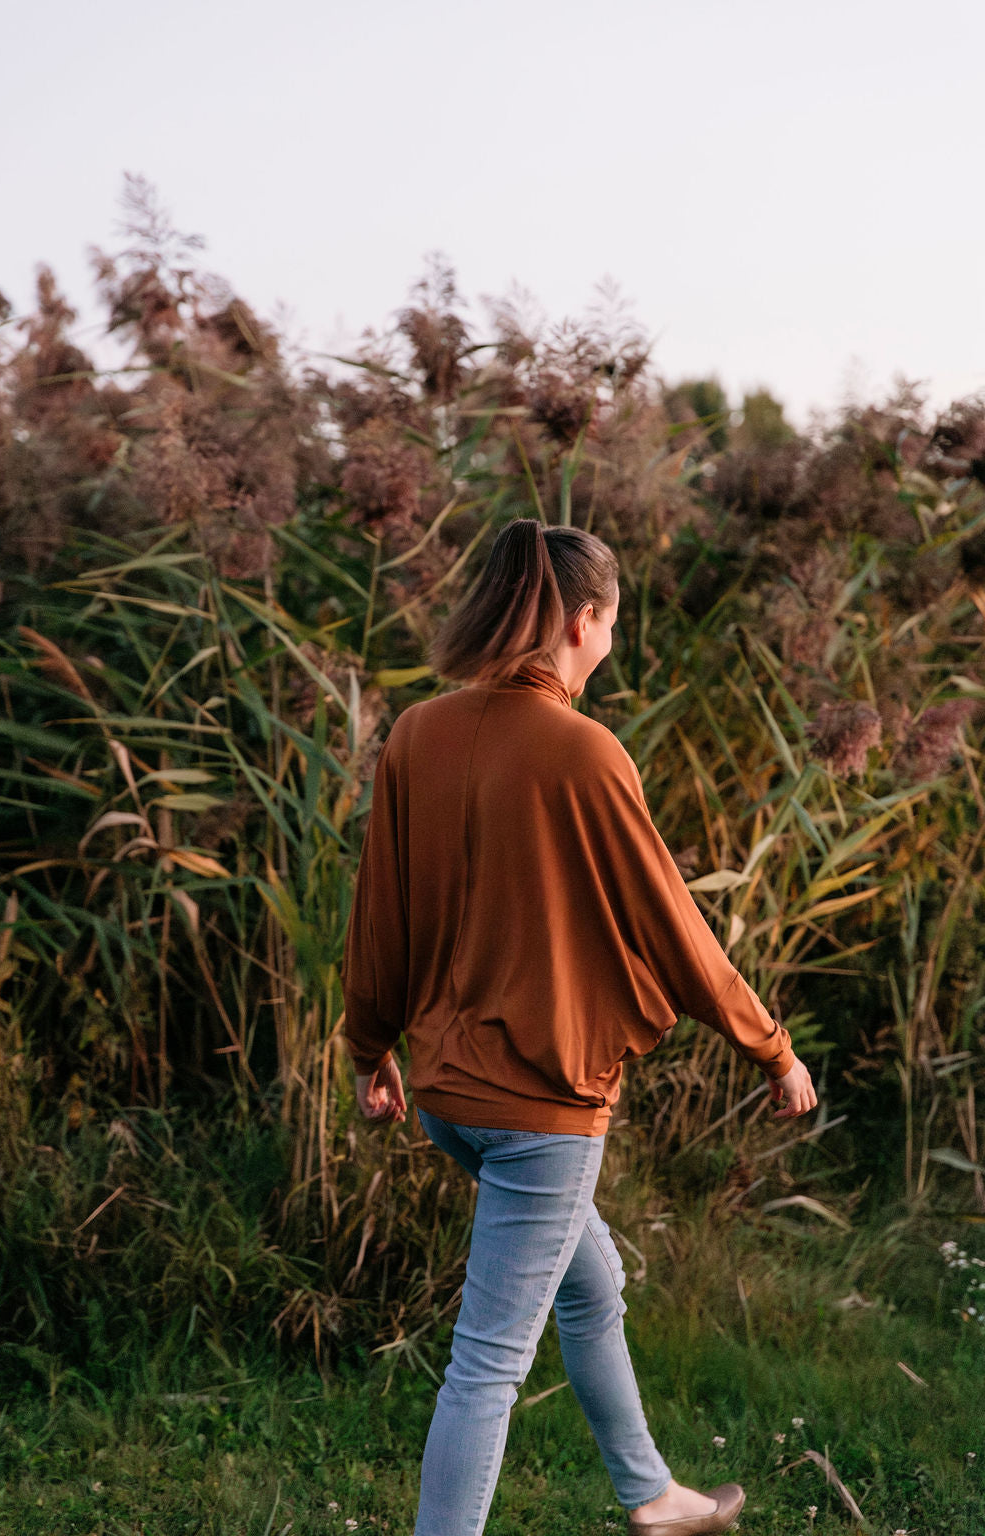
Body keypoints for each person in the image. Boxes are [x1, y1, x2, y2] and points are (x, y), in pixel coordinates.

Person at [342, 518, 817, 1536]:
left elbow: (377, 909)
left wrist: (367, 1046)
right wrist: (768, 1047)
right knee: (485, 1368)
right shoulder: (583, 752)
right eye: (607, 626)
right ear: (580, 618)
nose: (608, 646)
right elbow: (675, 927)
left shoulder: (418, 732)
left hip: (447, 1098)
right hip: (540, 1112)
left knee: (589, 1288)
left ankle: (653, 1495)